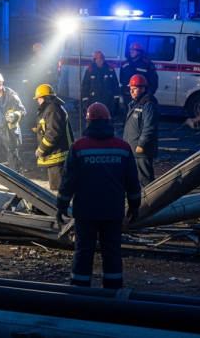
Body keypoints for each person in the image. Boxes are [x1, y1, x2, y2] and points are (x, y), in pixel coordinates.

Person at [56, 102, 142, 289]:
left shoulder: (79, 147)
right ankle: (112, 295)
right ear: (109, 122)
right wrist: (135, 206)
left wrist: (61, 205)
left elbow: (68, 180)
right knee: (112, 252)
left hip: (86, 212)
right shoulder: (123, 148)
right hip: (112, 212)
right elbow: (133, 182)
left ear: (88, 121)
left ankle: (79, 294)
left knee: (84, 251)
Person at [34, 84, 73, 193]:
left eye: (39, 98)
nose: (38, 101)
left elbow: (52, 133)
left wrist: (41, 149)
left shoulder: (53, 109)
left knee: (58, 189)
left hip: (58, 156)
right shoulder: (50, 109)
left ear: (45, 97)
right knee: (57, 187)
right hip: (55, 154)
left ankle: (61, 209)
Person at [122, 74, 159, 187]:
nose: (131, 92)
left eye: (134, 89)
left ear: (142, 89)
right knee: (135, 179)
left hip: (141, 151)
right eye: (130, 89)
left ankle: (150, 203)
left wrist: (142, 144)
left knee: (145, 180)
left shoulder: (149, 104)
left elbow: (149, 126)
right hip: (134, 149)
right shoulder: (136, 104)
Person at [23, 43, 57, 130]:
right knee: (32, 107)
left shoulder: (48, 62)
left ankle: (45, 124)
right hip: (33, 89)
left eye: (40, 51)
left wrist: (52, 87)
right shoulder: (31, 62)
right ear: (35, 52)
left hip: (45, 90)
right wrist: (27, 87)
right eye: (38, 51)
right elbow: (26, 76)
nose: (39, 53)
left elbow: (51, 76)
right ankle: (32, 125)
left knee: (45, 107)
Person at [119, 42, 158, 114]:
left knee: (140, 116)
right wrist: (124, 92)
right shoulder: (125, 64)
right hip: (128, 95)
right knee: (127, 114)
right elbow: (122, 79)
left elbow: (153, 81)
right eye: (131, 49)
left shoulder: (147, 64)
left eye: (134, 50)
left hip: (142, 96)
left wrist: (148, 94)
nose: (131, 51)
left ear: (139, 52)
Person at [81, 50, 121, 117]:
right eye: (97, 58)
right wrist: (85, 101)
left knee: (107, 120)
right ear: (94, 59)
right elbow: (85, 86)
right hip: (94, 100)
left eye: (101, 58)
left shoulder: (110, 69)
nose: (99, 60)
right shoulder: (90, 70)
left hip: (108, 101)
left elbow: (115, 85)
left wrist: (116, 100)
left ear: (103, 59)